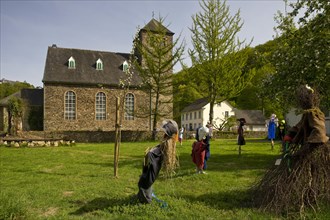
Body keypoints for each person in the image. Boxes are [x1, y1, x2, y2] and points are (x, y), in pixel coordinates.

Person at [137, 119, 178, 204]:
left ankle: (145, 198)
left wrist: (150, 154)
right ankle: (144, 195)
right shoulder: (162, 146)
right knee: (147, 176)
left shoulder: (163, 148)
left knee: (147, 179)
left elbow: (151, 173)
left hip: (151, 166)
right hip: (151, 161)